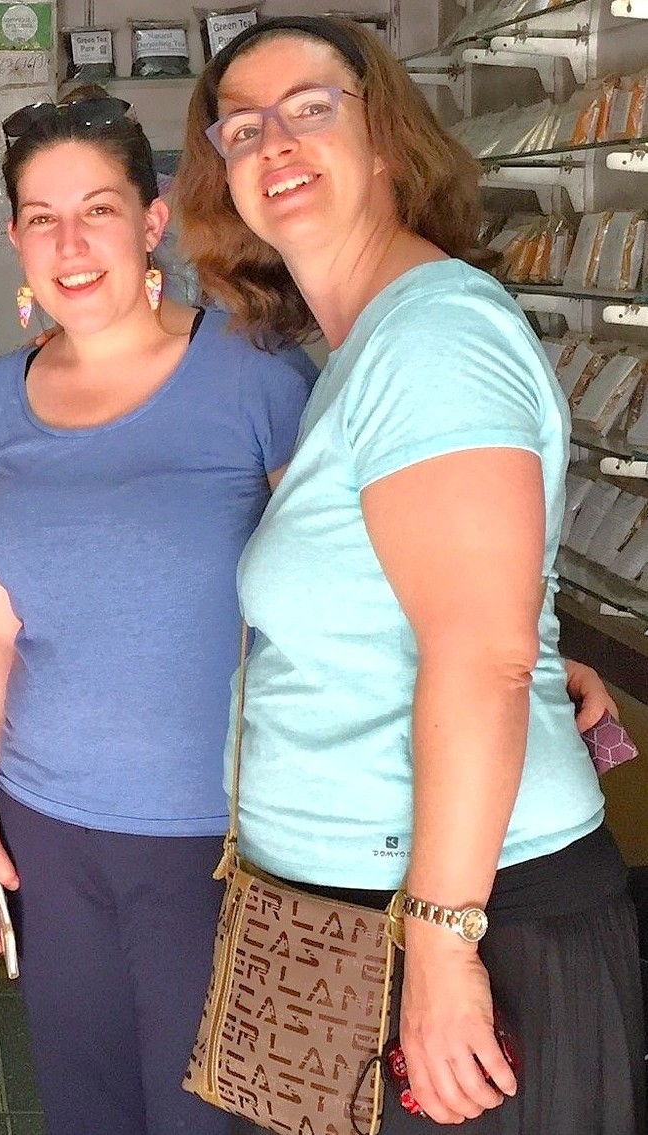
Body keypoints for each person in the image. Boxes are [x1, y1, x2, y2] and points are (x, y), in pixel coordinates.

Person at [172, 15, 645, 1132]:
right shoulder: (363, 346)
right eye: (239, 127)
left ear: (385, 137)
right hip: (351, 915)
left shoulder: (432, 336)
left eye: (308, 108)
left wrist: (440, 947)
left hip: (462, 923)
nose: (271, 141)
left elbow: (478, 660)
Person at [0, 96, 317, 1135]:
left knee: (208, 1115)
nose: (70, 243)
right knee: (86, 1106)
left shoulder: (253, 376)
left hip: (222, 832)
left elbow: (343, 592)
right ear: (13, 237)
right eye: (41, 216)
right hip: (48, 828)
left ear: (151, 221)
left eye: (97, 210)